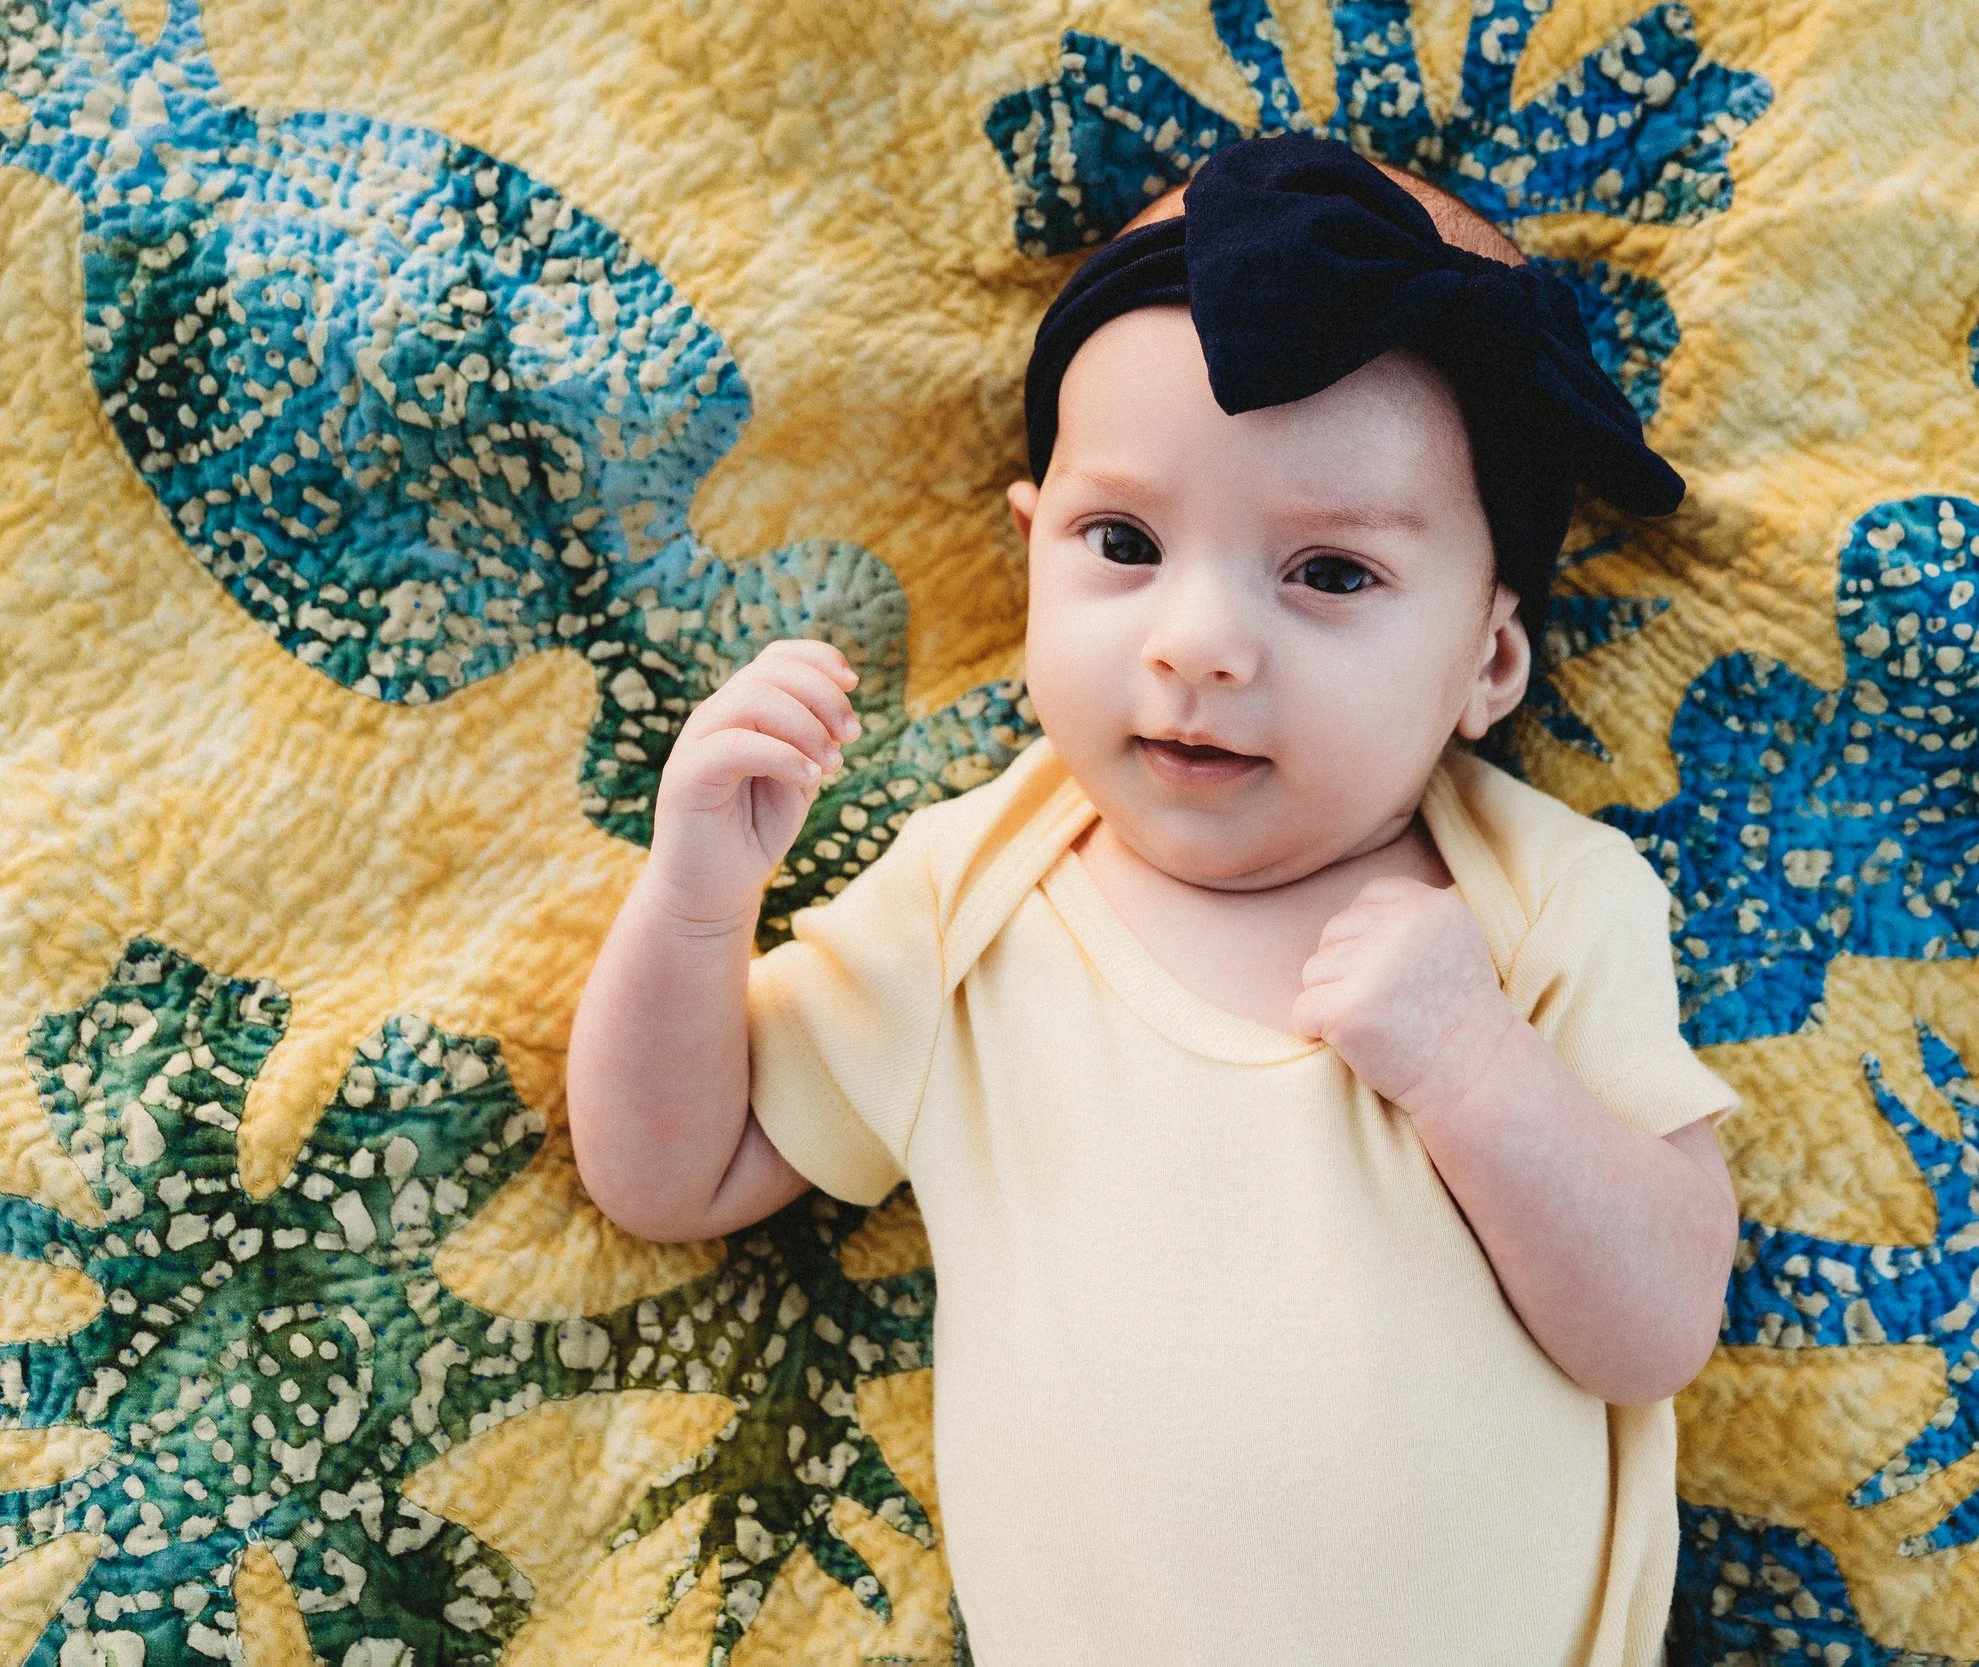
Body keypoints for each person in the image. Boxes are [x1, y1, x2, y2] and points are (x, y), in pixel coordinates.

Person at [568, 133, 1741, 1665]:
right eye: (1122, 544)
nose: (1199, 641)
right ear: (1030, 548)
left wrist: (1470, 1064)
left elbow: (1654, 1328)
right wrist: (699, 905)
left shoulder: (1539, 904)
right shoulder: (971, 897)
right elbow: (672, 1170)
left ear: (1489, 660)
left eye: (1328, 572)